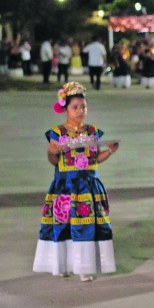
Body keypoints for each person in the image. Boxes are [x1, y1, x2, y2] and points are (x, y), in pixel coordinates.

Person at [33, 82, 120, 281]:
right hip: (65, 186)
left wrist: (110, 151)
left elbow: (95, 159)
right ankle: (63, 264)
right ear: (65, 109)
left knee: (86, 226)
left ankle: (84, 267)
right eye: (75, 107)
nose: (80, 111)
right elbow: (54, 161)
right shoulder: (57, 133)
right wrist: (51, 152)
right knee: (64, 226)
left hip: (88, 186)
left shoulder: (93, 132)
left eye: (83, 107)